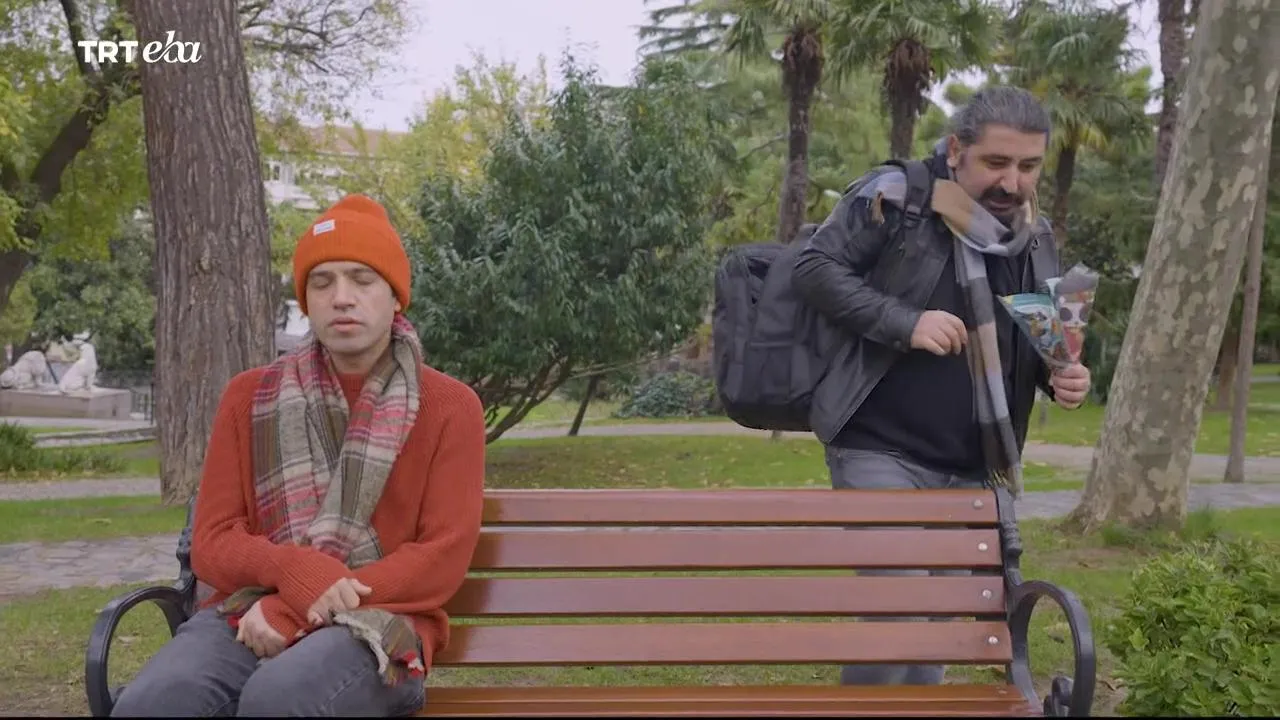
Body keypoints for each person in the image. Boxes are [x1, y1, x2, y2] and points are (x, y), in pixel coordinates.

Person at [111, 194, 487, 717]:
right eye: (322, 281)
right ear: (306, 300)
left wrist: (300, 604)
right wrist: (291, 572)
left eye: (362, 279)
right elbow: (213, 540)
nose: (342, 297)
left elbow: (439, 560)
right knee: (152, 703)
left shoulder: (450, 406)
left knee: (280, 698)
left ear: (395, 297)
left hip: (383, 625)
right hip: (247, 610)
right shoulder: (249, 397)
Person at [791, 86, 1091, 686]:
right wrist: (904, 322)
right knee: (901, 608)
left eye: (1028, 166)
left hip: (974, 463)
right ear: (956, 150)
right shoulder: (896, 196)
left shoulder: (1034, 235)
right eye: (996, 162)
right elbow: (813, 268)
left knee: (937, 626)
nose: (1012, 182)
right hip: (878, 444)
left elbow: (1036, 334)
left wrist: (1062, 374)